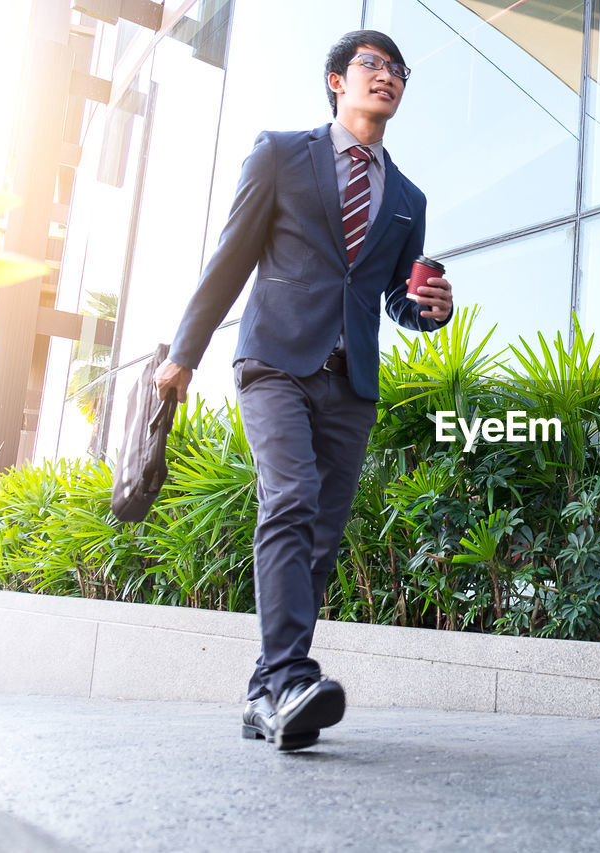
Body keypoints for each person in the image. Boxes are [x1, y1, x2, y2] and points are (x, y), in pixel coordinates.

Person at [153, 29, 453, 751]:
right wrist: (183, 355)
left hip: (351, 381)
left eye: (398, 70)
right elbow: (230, 259)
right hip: (276, 361)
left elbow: (397, 300)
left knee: (320, 535)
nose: (387, 77)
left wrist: (432, 310)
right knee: (288, 498)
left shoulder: (407, 196)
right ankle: (291, 676)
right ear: (336, 81)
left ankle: (268, 693)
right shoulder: (281, 153)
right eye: (372, 65)